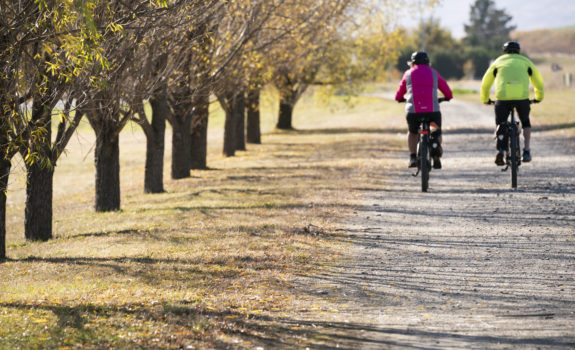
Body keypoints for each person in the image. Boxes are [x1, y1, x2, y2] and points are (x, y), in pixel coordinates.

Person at [480, 40, 544, 164]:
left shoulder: (498, 62)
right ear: (518, 51)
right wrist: (538, 97)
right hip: (522, 98)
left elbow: (485, 83)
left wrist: (485, 99)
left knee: (500, 123)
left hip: (502, 98)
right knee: (525, 122)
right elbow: (538, 81)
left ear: (504, 52)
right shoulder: (526, 61)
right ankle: (526, 150)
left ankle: (500, 151)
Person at [395, 51, 453, 169]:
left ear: (412, 62)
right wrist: (447, 97)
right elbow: (447, 90)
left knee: (412, 132)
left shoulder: (408, 73)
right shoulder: (433, 73)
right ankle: (436, 153)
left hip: (413, 112)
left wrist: (400, 99)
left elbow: (400, 92)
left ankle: (412, 158)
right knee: (436, 130)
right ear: (427, 62)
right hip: (432, 111)